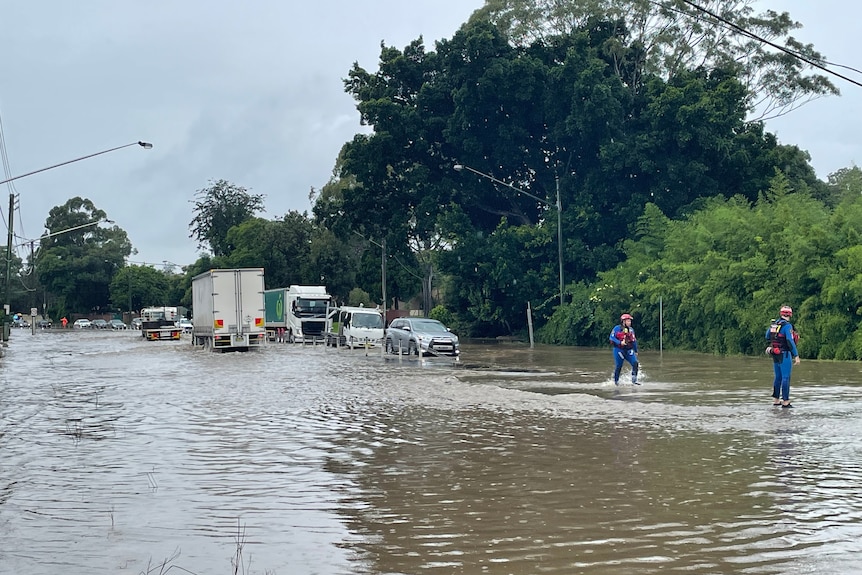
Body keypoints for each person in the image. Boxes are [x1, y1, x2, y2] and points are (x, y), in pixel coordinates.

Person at [766, 305, 800, 408]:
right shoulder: (787, 326)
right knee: (786, 377)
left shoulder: (774, 325)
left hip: (775, 354)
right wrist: (796, 355)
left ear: (781, 314)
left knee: (778, 377)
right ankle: (786, 401)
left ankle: (776, 400)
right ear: (790, 314)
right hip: (784, 354)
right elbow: (790, 341)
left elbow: (767, 336)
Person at [609, 313, 639, 385]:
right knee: (619, 366)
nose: (630, 322)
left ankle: (634, 380)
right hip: (618, 350)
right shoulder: (617, 328)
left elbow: (634, 341)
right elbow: (611, 337)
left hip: (628, 350)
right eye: (628, 321)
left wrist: (636, 350)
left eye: (630, 321)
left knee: (635, 363)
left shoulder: (631, 330)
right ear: (623, 321)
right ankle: (616, 382)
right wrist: (620, 342)